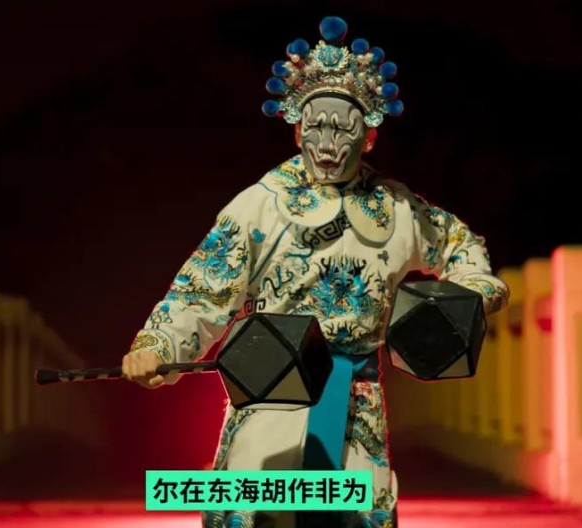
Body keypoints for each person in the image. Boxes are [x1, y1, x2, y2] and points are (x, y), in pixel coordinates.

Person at [121, 16, 509, 528]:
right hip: (269, 394)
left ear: (369, 136)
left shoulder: (398, 211)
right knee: (260, 513)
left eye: (343, 128)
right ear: (297, 128)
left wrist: (471, 297)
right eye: (316, 127)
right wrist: (160, 344)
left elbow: (462, 246)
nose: (327, 143)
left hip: (356, 408)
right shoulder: (259, 207)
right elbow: (201, 292)